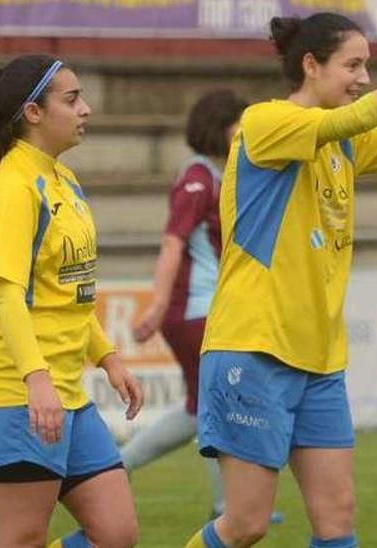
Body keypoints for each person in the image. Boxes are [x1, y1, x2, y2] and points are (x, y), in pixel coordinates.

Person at [183, 5, 377, 547]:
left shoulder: (341, 141)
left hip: (319, 358)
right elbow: (355, 117)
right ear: (310, 66)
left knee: (337, 517)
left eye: (367, 67)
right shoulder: (264, 123)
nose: (363, 78)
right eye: (353, 65)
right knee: (247, 524)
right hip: (255, 346)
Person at [0, 54, 145, 548]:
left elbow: (70, 291)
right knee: (21, 538)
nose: (85, 108)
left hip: (68, 391)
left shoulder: (64, 181)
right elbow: (8, 295)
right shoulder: (13, 187)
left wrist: (107, 357)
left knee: (117, 532)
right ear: (34, 113)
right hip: (15, 389)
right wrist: (35, 379)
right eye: (71, 99)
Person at [124, 89, 286, 523]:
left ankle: (119, 469)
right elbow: (173, 241)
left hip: (205, 309)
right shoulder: (196, 178)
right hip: (194, 311)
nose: (245, 131)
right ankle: (226, 507)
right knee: (215, 406)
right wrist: (157, 304)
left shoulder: (216, 175)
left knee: (204, 407)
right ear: (222, 126)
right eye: (239, 123)